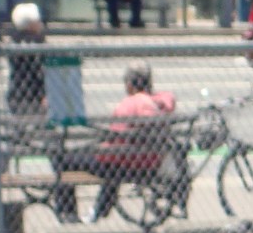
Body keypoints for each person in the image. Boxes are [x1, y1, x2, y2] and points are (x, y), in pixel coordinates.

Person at [51, 63, 177, 223]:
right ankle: (98, 210)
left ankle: (67, 212)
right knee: (113, 166)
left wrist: (98, 147)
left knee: (63, 160)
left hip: (121, 164)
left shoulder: (128, 105)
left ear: (130, 85)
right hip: (151, 163)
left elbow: (114, 141)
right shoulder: (160, 103)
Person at [7, 2, 47, 115]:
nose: (41, 23)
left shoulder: (14, 40)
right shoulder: (36, 42)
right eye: (37, 21)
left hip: (16, 94)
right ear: (30, 24)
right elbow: (39, 71)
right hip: (34, 96)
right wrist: (45, 94)